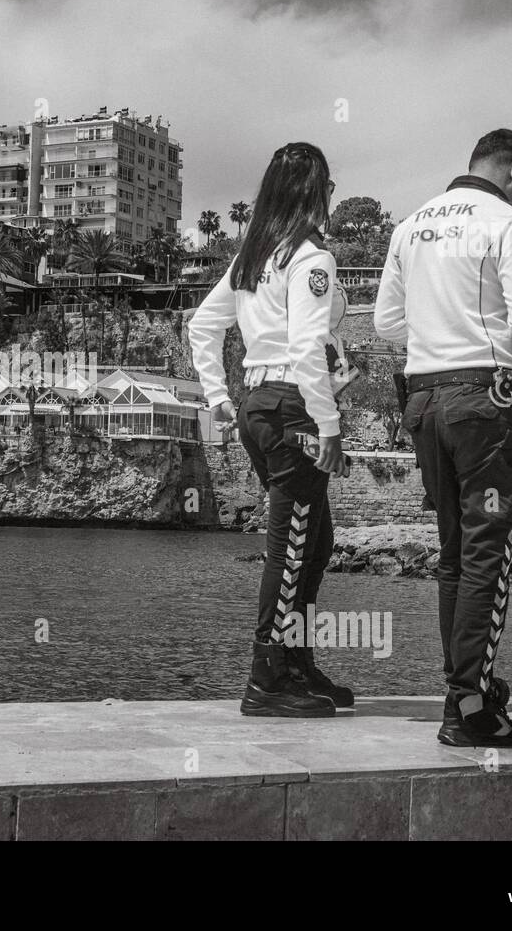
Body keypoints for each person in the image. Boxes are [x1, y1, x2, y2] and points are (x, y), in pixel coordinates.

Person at [374, 128, 512, 748]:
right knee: (489, 552)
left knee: (455, 551)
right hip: (486, 401)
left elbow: (385, 323)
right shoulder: (509, 222)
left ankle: (467, 689)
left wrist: (438, 332)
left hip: (424, 399)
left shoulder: (410, 223)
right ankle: (470, 706)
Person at [189, 141, 353, 719]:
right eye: (328, 187)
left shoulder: (254, 259)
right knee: (291, 549)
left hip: (261, 406)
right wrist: (328, 426)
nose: (331, 196)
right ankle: (266, 679)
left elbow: (201, 327)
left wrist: (218, 396)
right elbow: (308, 346)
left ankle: (295, 663)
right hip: (295, 410)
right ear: (315, 192)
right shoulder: (310, 257)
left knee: (315, 541)